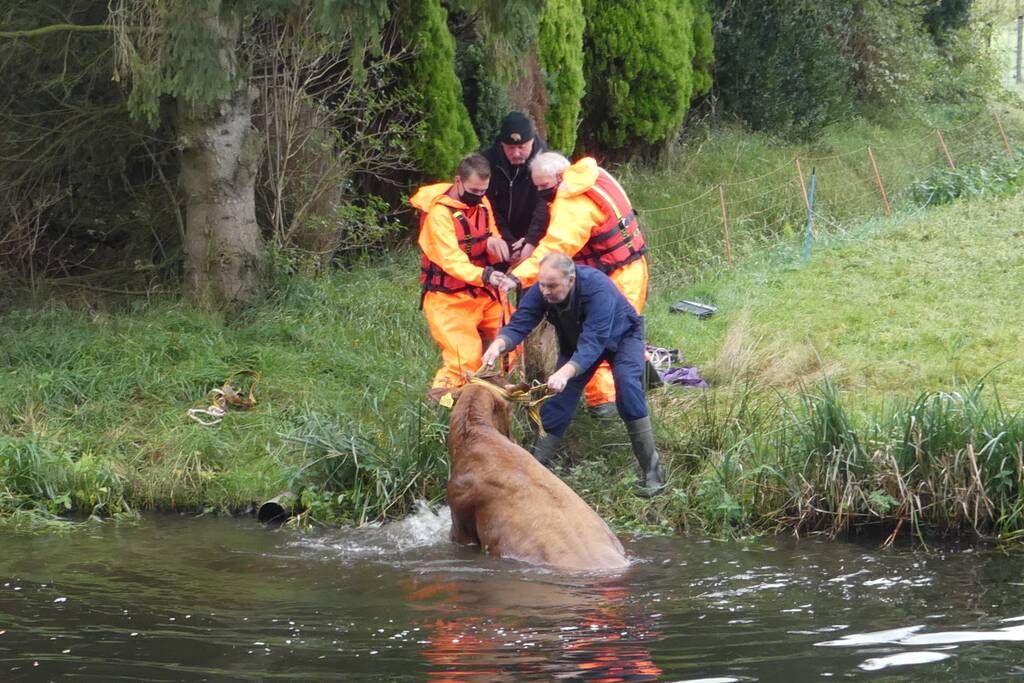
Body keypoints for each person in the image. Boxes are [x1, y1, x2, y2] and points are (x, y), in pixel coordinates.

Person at [481, 252, 666, 497]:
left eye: (552, 286)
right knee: (557, 402)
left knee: (628, 390)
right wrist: (499, 344)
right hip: (576, 345)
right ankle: (535, 471)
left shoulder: (597, 289)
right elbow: (520, 323)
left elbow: (594, 343)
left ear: (571, 280)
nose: (545, 291)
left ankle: (654, 476)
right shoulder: (541, 291)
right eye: (542, 284)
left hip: (622, 338)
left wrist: (564, 373)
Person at [501, 152, 650, 419]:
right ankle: (638, 379)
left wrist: (517, 276)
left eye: (545, 188)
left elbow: (557, 246)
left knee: (601, 336)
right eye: (537, 188)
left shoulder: (574, 204)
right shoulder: (593, 175)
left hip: (615, 276)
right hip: (630, 266)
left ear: (560, 177)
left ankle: (603, 404)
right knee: (626, 332)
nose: (541, 194)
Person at [411, 153, 513, 401]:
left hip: (481, 292)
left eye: (483, 191)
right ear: (458, 182)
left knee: (513, 337)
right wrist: (487, 275)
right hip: (447, 298)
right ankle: (439, 411)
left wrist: (493, 242)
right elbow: (451, 261)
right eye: (474, 191)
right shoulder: (439, 215)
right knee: (463, 359)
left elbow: (491, 232)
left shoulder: (481, 202)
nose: (478, 197)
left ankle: (492, 397)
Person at [481, 112, 549, 266]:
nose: (516, 153)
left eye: (521, 147)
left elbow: (545, 205)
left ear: (531, 141)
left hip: (535, 238)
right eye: (510, 148)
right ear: (502, 144)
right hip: (498, 237)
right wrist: (508, 242)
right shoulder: (487, 163)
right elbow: (488, 206)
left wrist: (531, 240)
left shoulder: (548, 163)